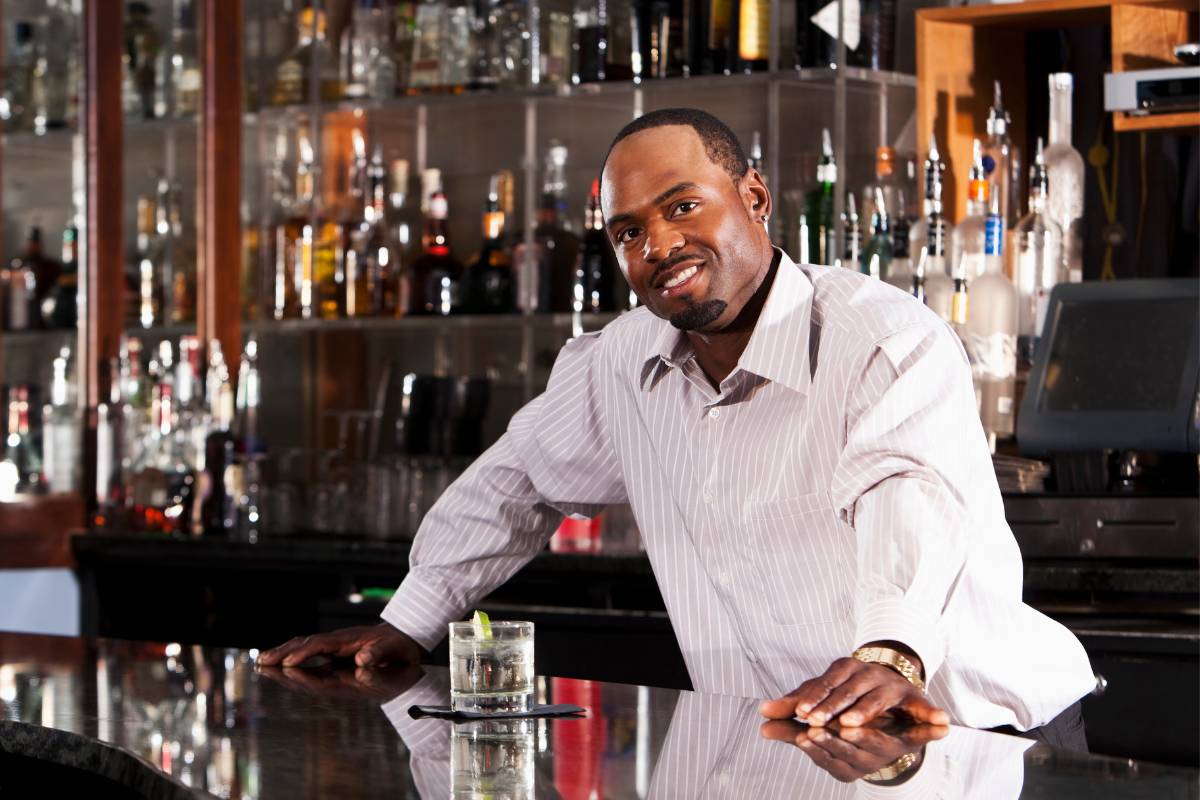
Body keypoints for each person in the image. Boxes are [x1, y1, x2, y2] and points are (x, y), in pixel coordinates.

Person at [259, 108, 1095, 746]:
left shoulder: (882, 339)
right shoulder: (621, 365)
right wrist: (408, 624)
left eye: (683, 205)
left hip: (974, 741)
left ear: (756, 198)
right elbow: (516, 477)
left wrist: (890, 650)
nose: (659, 243)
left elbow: (905, 496)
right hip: (795, 743)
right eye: (629, 231)